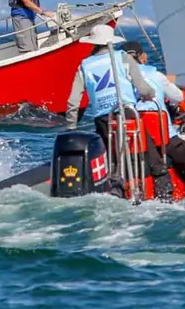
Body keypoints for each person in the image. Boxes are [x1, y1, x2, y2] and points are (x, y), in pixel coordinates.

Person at [65, 24, 158, 191]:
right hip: (128, 113)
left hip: (102, 118)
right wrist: (150, 94)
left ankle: (112, 182)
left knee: (109, 153)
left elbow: (73, 101)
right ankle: (157, 181)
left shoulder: (85, 65)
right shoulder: (123, 57)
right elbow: (143, 89)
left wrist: (71, 127)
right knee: (146, 146)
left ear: (93, 43)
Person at [126, 42, 185, 198]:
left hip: (136, 140)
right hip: (164, 137)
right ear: (141, 57)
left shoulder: (122, 80)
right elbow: (178, 96)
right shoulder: (156, 75)